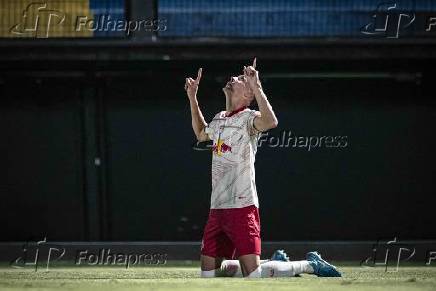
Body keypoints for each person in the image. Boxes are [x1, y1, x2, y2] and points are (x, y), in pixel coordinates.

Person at [185, 59, 340, 278]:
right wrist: (193, 98)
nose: (233, 78)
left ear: (248, 95)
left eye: (239, 79)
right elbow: (201, 134)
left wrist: (256, 86)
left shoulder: (250, 118)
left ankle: (308, 264)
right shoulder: (219, 118)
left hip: (242, 206)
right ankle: (272, 263)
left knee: (253, 275)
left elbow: (271, 121)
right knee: (208, 276)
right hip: (218, 207)